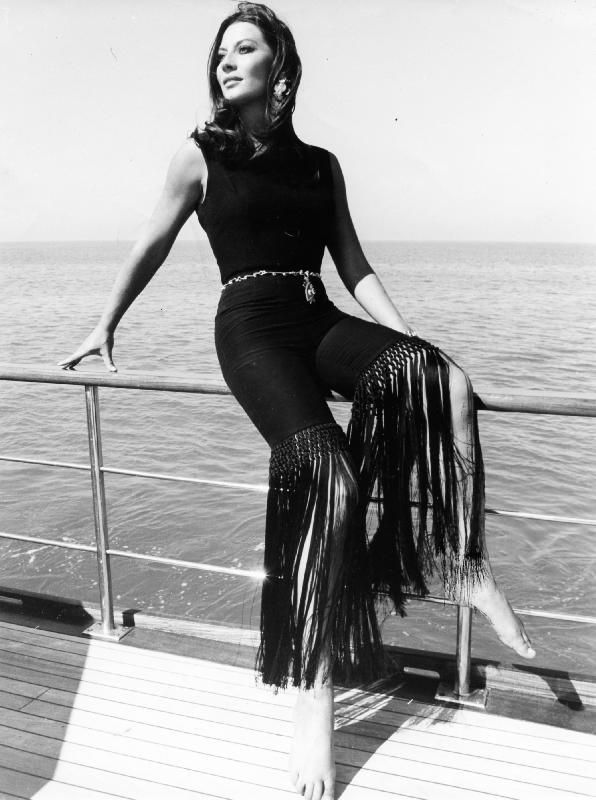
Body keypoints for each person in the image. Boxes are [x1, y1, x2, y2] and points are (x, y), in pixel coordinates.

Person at [59, 4, 536, 798]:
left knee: (446, 383)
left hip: (316, 314)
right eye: (220, 52)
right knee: (330, 477)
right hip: (251, 327)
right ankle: (313, 695)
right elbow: (151, 240)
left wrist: (410, 344)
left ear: (279, 66)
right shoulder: (199, 154)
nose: (225, 61)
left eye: (243, 48)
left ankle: (464, 563)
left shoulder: (320, 165)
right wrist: (105, 324)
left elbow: (353, 263)